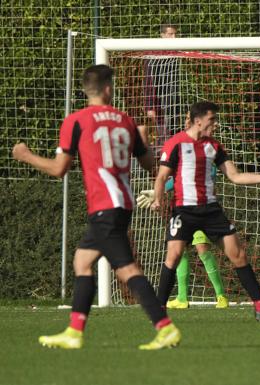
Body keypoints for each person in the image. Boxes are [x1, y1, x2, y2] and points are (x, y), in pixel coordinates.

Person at [12, 64, 180, 350]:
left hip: (105, 205)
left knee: (127, 271)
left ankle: (165, 327)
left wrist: (26, 155)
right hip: (121, 204)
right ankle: (74, 331)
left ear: (86, 90)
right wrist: (161, 188)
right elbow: (151, 164)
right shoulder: (125, 120)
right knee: (82, 261)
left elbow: (58, 169)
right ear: (107, 88)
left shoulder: (76, 121)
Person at [151, 101, 260, 323]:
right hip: (184, 211)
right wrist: (158, 198)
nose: (215, 124)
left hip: (212, 211)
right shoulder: (176, 143)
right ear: (198, 121)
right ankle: (159, 311)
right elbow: (162, 177)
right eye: (212, 119)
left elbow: (235, 176)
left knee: (238, 255)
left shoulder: (214, 146)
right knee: (173, 256)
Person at [137, 112, 229, 309]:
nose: (187, 121)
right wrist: (157, 193)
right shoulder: (182, 146)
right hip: (184, 210)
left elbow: (202, 175)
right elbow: (174, 177)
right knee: (179, 252)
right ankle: (181, 297)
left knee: (203, 250)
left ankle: (221, 295)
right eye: (186, 118)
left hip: (202, 209)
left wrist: (160, 190)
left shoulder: (207, 148)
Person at [144, 24, 182, 149]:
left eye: (175, 34)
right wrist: (150, 106)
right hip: (160, 106)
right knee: (163, 142)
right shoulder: (153, 56)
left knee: (174, 139)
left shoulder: (176, 54)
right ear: (162, 35)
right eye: (170, 34)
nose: (174, 38)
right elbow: (149, 82)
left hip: (174, 106)